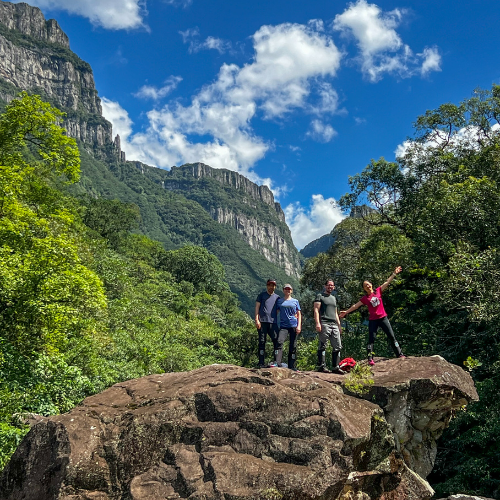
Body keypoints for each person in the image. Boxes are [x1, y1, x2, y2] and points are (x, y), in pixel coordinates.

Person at [339, 267, 406, 366]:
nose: (367, 286)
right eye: (365, 286)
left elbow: (387, 282)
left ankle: (399, 354)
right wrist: (346, 312)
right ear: (364, 289)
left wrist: (394, 274)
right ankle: (370, 358)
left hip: (383, 318)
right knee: (371, 339)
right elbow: (355, 306)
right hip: (373, 321)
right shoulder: (365, 298)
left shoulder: (378, 291)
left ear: (371, 285)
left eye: (368, 284)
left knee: (392, 336)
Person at [314, 279, 345, 374]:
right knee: (323, 344)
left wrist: (339, 325)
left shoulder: (333, 298)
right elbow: (316, 310)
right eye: (328, 285)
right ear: (325, 286)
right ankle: (321, 365)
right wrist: (317, 323)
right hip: (324, 322)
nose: (330, 287)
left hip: (334, 324)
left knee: (338, 345)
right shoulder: (320, 296)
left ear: (334, 287)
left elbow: (335, 313)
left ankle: (335, 366)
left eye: (332, 285)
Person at [274, 284, 301, 371]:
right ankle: (277, 362)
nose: (287, 290)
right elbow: (276, 312)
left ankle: (291, 365)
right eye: (286, 289)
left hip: (293, 325)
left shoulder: (295, 301)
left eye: (289, 289)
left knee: (293, 345)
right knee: (279, 342)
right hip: (283, 326)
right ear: (283, 290)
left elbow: (299, 314)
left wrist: (299, 325)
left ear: (291, 291)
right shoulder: (279, 301)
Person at [255, 278, 280, 368]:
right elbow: (257, 307)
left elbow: (279, 309)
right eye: (270, 285)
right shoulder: (261, 295)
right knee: (262, 341)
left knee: (276, 341)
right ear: (267, 285)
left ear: (275, 287)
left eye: (273, 285)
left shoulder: (277, 297)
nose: (271, 287)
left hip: (273, 322)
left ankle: (276, 361)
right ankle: (261, 362)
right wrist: (257, 319)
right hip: (262, 322)